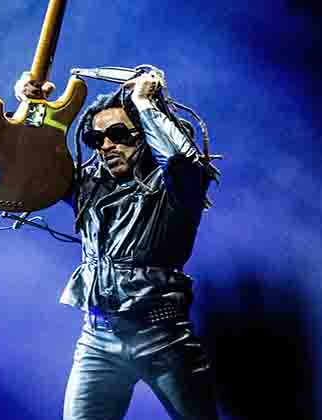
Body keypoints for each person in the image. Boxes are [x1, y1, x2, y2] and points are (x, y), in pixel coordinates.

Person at [17, 70, 220, 420]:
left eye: (118, 134)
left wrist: (144, 102)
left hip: (163, 337)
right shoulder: (87, 185)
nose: (107, 145)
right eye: (97, 139)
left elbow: (184, 162)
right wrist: (32, 109)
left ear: (143, 132)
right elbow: (25, 167)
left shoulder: (174, 186)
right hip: (97, 340)